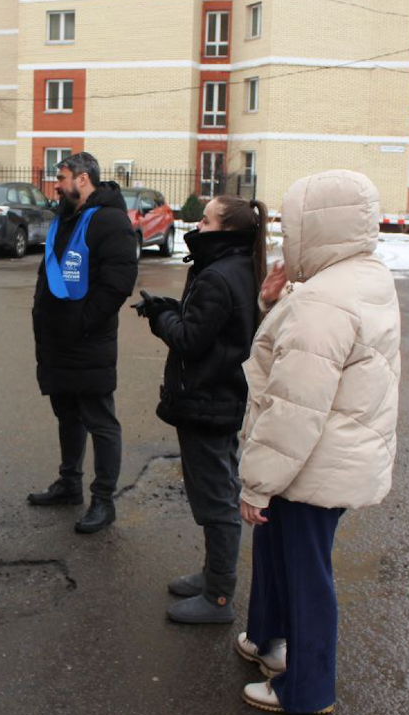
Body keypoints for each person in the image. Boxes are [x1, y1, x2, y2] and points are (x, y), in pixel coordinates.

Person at [235, 170, 401, 714]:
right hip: (330, 457)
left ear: (317, 228)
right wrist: (271, 303)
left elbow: (293, 407)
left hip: (310, 462)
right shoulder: (359, 278)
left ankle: (306, 691)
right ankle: (270, 644)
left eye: (293, 226)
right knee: (285, 557)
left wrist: (257, 485)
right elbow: (307, 352)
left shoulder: (324, 300)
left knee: (307, 577)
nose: (287, 239)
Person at [134, 195, 268, 624]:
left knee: (217, 499)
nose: (199, 223)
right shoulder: (238, 266)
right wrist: (170, 308)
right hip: (221, 397)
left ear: (226, 230)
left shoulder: (217, 275)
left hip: (209, 399)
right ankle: (214, 575)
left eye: (206, 220)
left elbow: (191, 340)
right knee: (221, 489)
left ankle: (219, 596)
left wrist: (159, 319)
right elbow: (212, 326)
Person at [26, 152, 138, 533]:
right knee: (67, 415)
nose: (56, 184)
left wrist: (83, 323)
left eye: (61, 177)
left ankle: (103, 501)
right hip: (58, 340)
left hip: (87, 341)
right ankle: (69, 484)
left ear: (83, 179)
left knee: (100, 421)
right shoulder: (66, 216)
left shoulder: (110, 221)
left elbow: (118, 282)